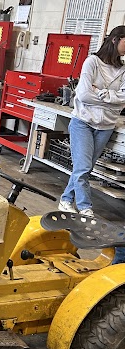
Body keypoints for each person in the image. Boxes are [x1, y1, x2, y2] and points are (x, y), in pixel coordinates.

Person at [59, 25, 125, 217]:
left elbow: (123, 100)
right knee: (83, 167)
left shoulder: (123, 70)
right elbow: (84, 95)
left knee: (84, 168)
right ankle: (85, 207)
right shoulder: (92, 62)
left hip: (105, 126)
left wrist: (100, 92)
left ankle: (65, 200)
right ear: (115, 40)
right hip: (83, 122)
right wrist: (111, 99)